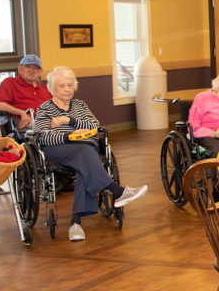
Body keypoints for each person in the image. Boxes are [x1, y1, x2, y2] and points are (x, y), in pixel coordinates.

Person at [33, 66, 147, 241]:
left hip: (85, 149)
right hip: (59, 150)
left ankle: (76, 223)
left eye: (70, 85)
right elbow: (44, 136)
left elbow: (94, 126)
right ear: (52, 88)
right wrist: (68, 136)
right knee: (85, 153)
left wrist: (67, 120)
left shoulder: (80, 105)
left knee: (84, 166)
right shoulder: (44, 109)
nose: (67, 89)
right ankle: (116, 191)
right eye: (62, 86)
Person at [0, 54, 52, 131]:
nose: (32, 70)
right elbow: (0, 105)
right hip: (21, 123)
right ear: (19, 69)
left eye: (36, 68)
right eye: (27, 67)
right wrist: (21, 112)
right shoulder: (10, 83)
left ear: (40, 72)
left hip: (46, 123)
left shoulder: (45, 89)